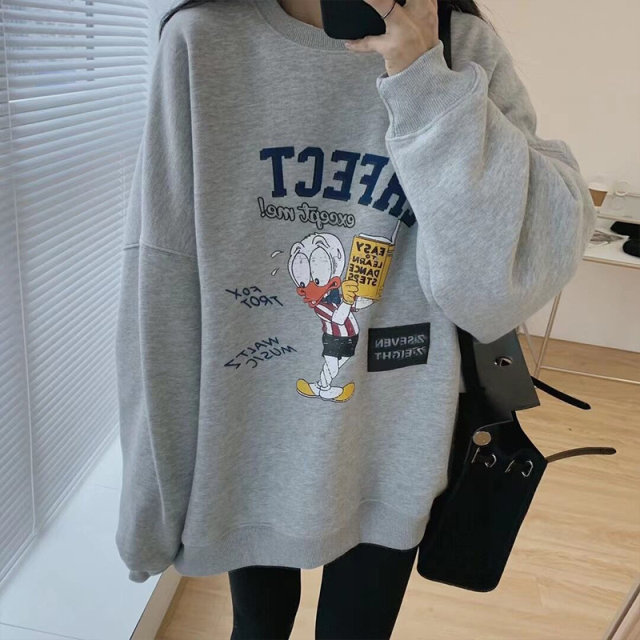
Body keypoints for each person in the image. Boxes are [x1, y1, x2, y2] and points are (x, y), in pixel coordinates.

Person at [114, 0, 598, 637]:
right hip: (249, 442)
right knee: (257, 628)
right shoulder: (203, 41)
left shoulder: (461, 45)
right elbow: (162, 278)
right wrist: (150, 504)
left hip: (395, 444)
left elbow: (490, 293)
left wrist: (423, 76)